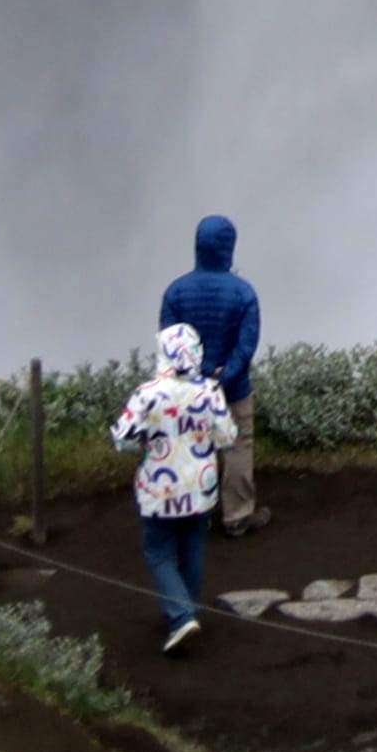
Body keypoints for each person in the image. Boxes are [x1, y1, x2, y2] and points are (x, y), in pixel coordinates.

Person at [111, 321, 238, 649]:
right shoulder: (210, 391)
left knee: (158, 551)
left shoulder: (147, 394)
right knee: (193, 544)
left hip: (160, 488)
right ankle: (187, 610)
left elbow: (123, 440)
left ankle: (181, 616)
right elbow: (227, 437)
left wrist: (148, 440)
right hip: (201, 484)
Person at [159, 214, 265, 531]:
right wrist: (223, 375)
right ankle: (237, 515)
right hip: (233, 389)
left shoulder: (175, 292)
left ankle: (192, 515)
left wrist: (199, 373)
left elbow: (171, 342)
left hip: (187, 391)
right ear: (229, 248)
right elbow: (246, 346)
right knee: (237, 446)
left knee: (190, 446)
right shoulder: (244, 293)